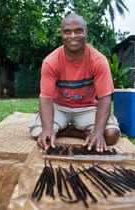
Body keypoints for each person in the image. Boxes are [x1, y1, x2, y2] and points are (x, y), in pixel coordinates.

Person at [28, 12, 120, 153]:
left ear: (86, 32)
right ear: (61, 34)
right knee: (41, 134)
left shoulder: (98, 60)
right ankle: (79, 132)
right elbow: (45, 98)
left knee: (110, 135)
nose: (72, 36)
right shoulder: (51, 61)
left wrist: (98, 131)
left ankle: (69, 131)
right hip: (59, 107)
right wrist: (47, 129)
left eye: (78, 31)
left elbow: (104, 97)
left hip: (87, 108)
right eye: (67, 32)